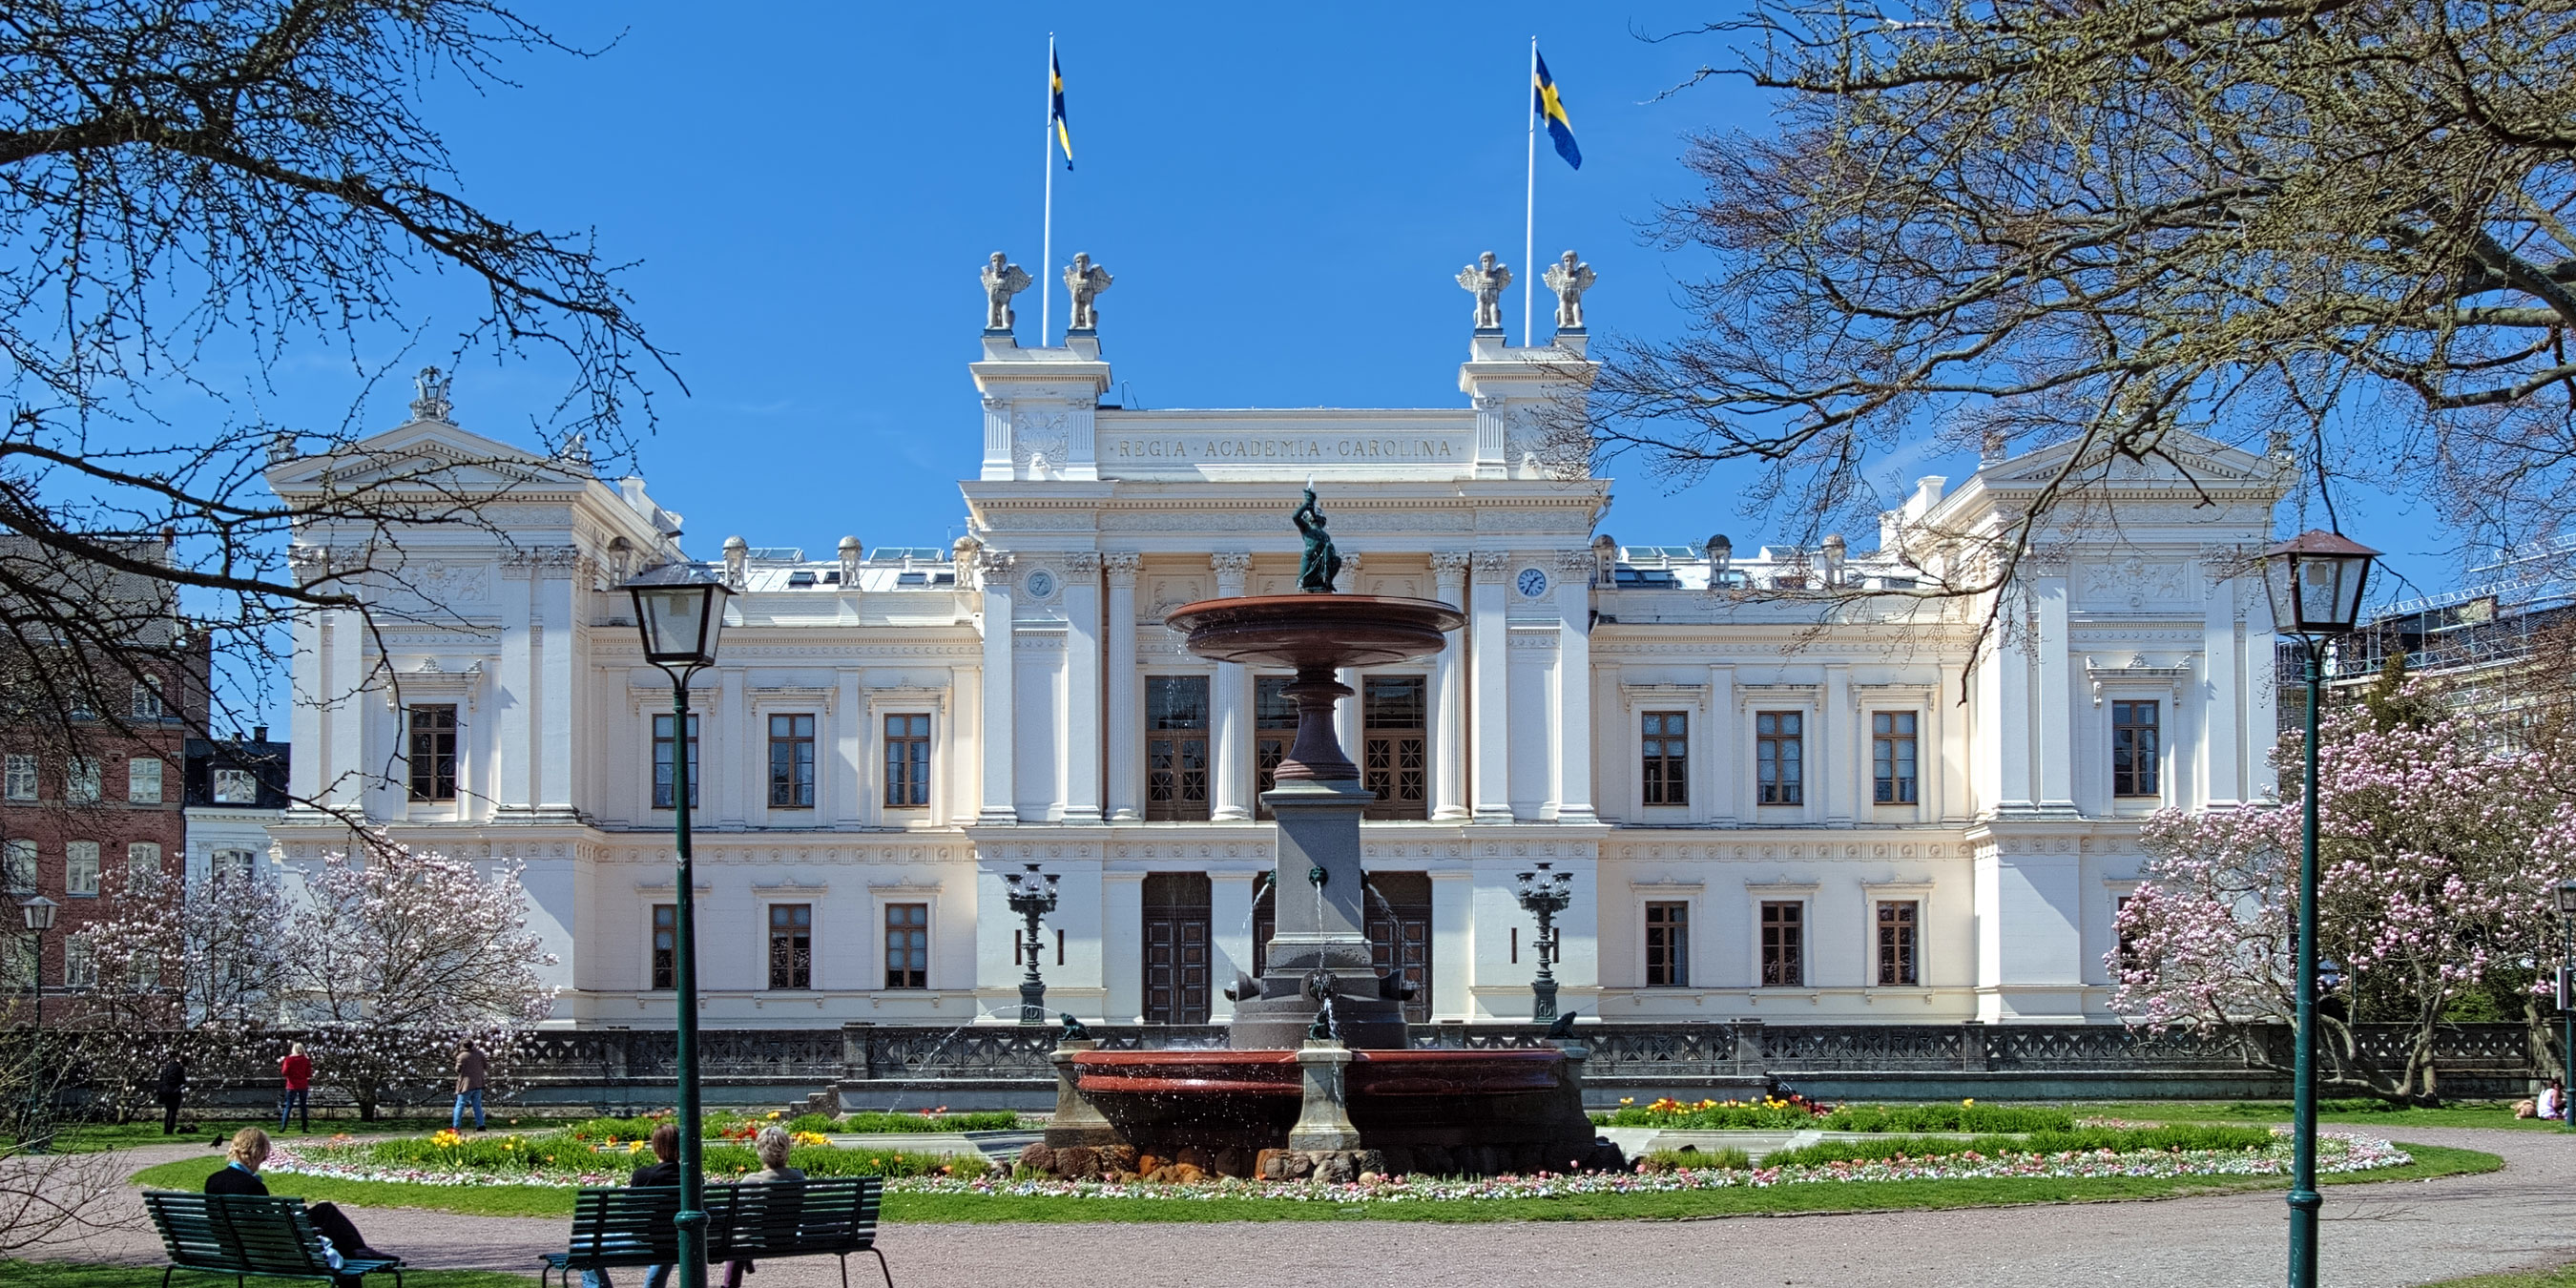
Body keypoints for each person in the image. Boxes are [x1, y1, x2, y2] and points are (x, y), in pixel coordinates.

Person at [206, 1127, 388, 1267]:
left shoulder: (212, 1181)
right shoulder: (252, 1185)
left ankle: (358, 1251)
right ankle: (360, 1251)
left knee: (324, 1214)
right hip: (264, 1251)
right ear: (257, 1152)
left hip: (233, 1248)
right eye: (264, 1155)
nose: (264, 1160)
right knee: (326, 1211)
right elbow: (269, 1229)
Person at [583, 1123, 684, 1288]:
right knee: (668, 1238)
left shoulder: (643, 1176)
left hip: (644, 1244)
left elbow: (628, 1213)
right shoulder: (693, 1178)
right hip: (678, 1243)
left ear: (655, 1147)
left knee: (584, 1245)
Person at [721, 1126, 806, 1288]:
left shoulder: (750, 1181)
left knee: (738, 1237)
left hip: (756, 1241)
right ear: (787, 1150)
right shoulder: (798, 1177)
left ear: (760, 1151)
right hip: (788, 1237)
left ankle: (729, 1285)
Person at [452, 1040, 488, 1132]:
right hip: (478, 1083)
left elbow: (458, 1070)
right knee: (477, 1105)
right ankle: (481, 1125)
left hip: (466, 1085)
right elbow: (485, 1066)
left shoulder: (461, 1056)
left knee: (460, 1105)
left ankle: (456, 1126)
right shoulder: (480, 1054)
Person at [278, 1042, 312, 1132]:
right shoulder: (306, 1060)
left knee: (288, 1106)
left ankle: (283, 1127)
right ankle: (304, 1128)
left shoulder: (289, 1060)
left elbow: (284, 1072)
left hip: (292, 1085)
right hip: (303, 1085)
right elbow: (309, 1074)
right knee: (303, 1106)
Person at [156, 1053, 188, 1135]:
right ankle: (170, 1130)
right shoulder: (179, 1068)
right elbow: (182, 1081)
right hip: (174, 1092)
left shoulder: (167, 1066)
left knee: (168, 1111)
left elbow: (161, 1079)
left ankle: (166, 1130)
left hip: (165, 1091)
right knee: (173, 1112)